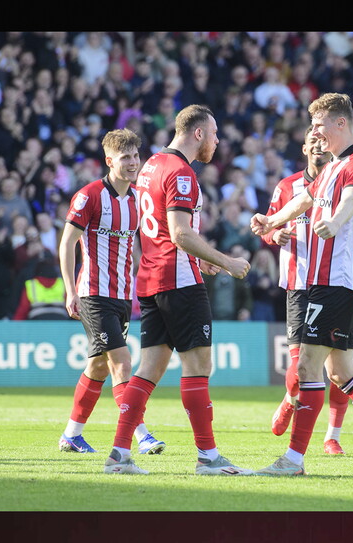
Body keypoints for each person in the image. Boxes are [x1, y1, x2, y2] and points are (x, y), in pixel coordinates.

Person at [251, 92, 353, 476]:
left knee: (308, 367)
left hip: (334, 281)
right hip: (323, 282)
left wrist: (337, 222)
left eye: (320, 124)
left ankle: (293, 461)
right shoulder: (331, 166)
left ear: (341, 123)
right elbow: (304, 201)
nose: (315, 132)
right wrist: (271, 222)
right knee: (340, 371)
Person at [103, 104, 253, 476]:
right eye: (214, 134)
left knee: (149, 370)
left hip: (153, 279)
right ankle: (208, 457)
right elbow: (180, 233)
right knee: (199, 365)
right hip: (180, 281)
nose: (218, 142)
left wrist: (200, 256)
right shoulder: (182, 173)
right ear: (198, 133)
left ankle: (119, 454)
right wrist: (226, 260)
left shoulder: (151, 164)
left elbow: (157, 230)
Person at [262, 124, 353, 456]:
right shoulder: (288, 186)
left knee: (330, 365)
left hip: (334, 279)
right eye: (311, 139)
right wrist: (274, 233)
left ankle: (329, 436)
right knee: (310, 365)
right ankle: (293, 405)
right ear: (304, 149)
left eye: (321, 137)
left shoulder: (345, 172)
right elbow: (274, 219)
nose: (317, 143)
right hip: (298, 282)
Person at [56, 128, 166, 457]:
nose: (133, 162)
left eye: (136, 156)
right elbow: (67, 243)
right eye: (125, 158)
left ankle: (71, 435)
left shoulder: (137, 200)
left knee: (99, 367)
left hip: (122, 296)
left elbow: (139, 248)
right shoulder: (89, 196)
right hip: (92, 292)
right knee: (122, 362)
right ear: (109, 161)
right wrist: (70, 289)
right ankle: (140, 433)